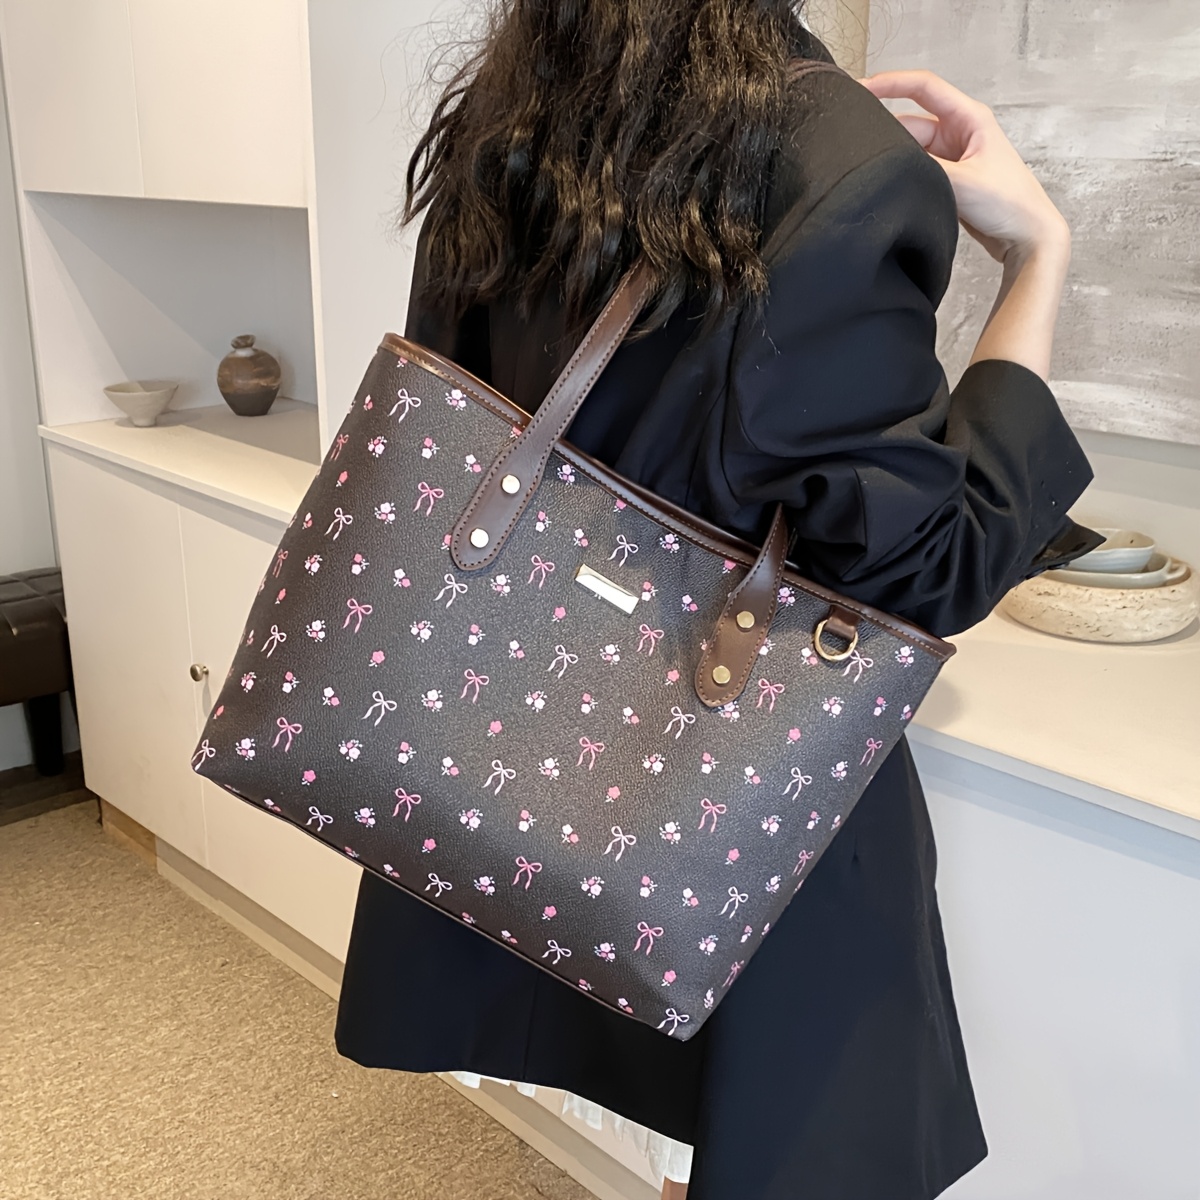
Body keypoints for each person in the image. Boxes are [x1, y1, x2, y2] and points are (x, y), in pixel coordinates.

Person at [334, 7, 1101, 1197]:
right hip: (721, 785)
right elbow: (929, 572)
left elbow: (466, 417)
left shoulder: (521, 99)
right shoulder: (840, 161)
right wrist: (1039, 255)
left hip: (502, 733)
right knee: (780, 1119)